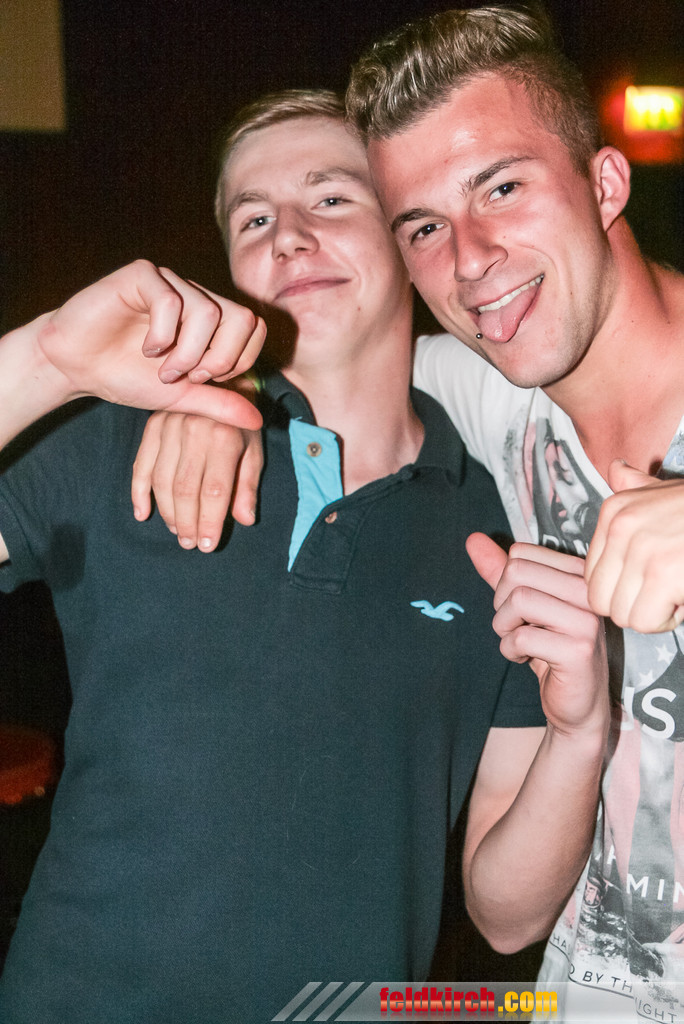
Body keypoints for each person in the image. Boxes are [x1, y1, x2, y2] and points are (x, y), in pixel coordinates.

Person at [0, 91, 607, 1023]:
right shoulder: (117, 440)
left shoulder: (497, 523)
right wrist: (47, 359)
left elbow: (506, 919)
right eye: (253, 218)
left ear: (407, 236)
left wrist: (581, 732)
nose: (287, 236)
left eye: (330, 199)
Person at [342, 4, 684, 1019]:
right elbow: (501, 921)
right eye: (424, 227)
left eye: (502, 187)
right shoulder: (489, 396)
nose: (470, 256)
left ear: (605, 183)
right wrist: (198, 408)